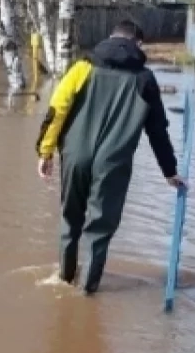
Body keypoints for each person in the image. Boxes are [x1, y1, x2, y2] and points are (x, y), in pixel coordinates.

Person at [35, 20, 184, 294]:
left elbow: (57, 109)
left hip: (75, 157)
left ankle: (64, 280)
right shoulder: (144, 80)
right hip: (112, 165)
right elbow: (157, 131)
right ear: (138, 43)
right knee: (99, 230)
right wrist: (169, 171)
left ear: (111, 37)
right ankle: (87, 292)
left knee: (70, 221)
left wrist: (45, 151)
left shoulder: (82, 67)